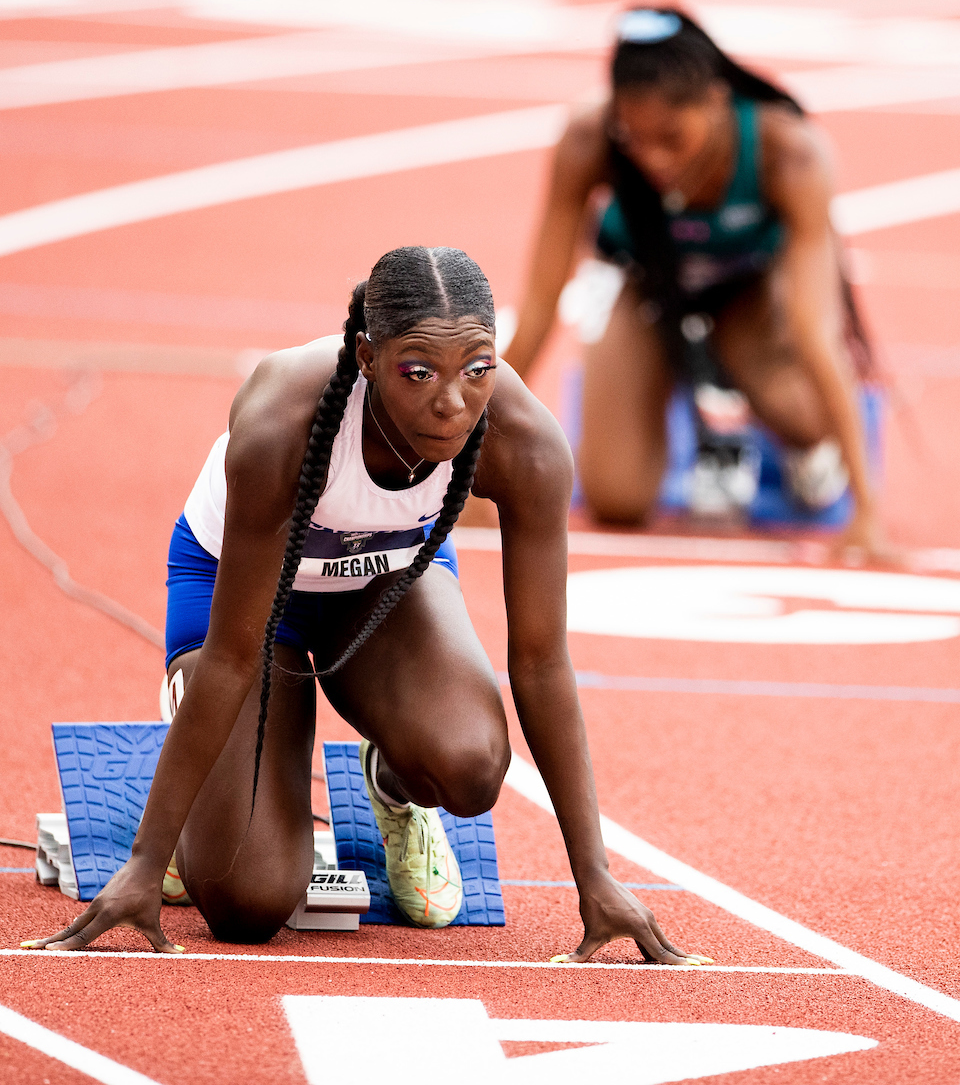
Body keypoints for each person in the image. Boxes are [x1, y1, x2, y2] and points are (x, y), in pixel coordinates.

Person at [23, 246, 710, 965]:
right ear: (367, 357)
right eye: (419, 372)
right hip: (249, 601)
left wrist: (593, 875)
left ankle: (390, 784)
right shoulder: (281, 421)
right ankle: (193, 792)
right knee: (245, 901)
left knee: (472, 767)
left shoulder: (526, 444)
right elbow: (232, 653)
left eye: (478, 370)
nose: (453, 402)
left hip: (385, 586)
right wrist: (143, 859)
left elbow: (540, 663)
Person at [505, 7, 889, 558]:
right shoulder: (590, 137)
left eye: (670, 138)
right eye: (634, 139)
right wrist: (472, 444)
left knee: (807, 417)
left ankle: (767, 424)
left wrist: (867, 512)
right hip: (649, 289)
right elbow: (541, 304)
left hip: (748, 295)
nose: (653, 158)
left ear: (716, 100)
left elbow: (817, 332)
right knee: (616, 499)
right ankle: (682, 392)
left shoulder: (790, 153)